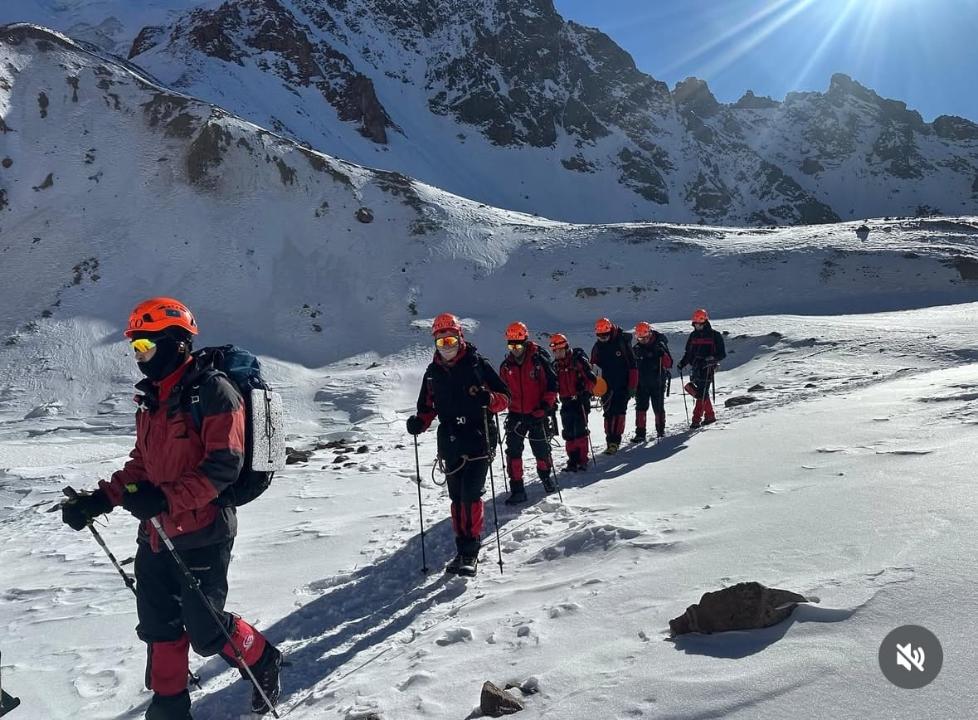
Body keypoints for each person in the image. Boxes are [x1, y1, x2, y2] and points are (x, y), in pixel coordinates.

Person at [60, 297, 281, 719]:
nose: (140, 356)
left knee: (208, 631)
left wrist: (164, 498)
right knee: (159, 628)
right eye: (136, 348)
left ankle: (263, 658)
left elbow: (224, 466)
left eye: (146, 346)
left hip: (203, 532)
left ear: (176, 342)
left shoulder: (213, 391)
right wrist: (100, 500)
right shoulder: (153, 399)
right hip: (155, 536)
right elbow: (142, 464)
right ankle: (169, 709)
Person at [406, 313, 510, 575]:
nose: (447, 346)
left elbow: (505, 398)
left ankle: (470, 551)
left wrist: (489, 399)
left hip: (479, 437)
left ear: (460, 337)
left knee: (470, 496)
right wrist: (419, 423)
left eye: (450, 339)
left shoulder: (477, 365)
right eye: (441, 342)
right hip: (451, 442)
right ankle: (461, 547)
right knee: (456, 498)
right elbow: (426, 408)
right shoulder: (432, 374)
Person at [498, 322, 559, 503]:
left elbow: (552, 385)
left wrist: (544, 408)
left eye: (518, 344)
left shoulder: (539, 361)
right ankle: (517, 489)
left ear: (525, 342)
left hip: (537, 413)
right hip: (516, 415)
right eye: (511, 345)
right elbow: (502, 391)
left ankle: (546, 477)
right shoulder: (506, 366)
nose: (515, 349)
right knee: (513, 453)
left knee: (541, 449)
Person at [549, 333, 596, 471]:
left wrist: (583, 387)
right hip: (566, 402)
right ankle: (572, 460)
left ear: (565, 347)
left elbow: (592, 380)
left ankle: (582, 460)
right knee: (568, 432)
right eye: (555, 351)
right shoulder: (555, 366)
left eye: (560, 350)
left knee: (580, 431)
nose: (557, 353)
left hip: (580, 401)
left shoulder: (578, 361)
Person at [590, 317, 637, 454]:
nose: (603, 338)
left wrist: (632, 386)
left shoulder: (622, 343)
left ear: (610, 331)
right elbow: (593, 368)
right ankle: (609, 440)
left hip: (622, 385)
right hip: (605, 387)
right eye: (600, 336)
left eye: (605, 335)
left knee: (619, 413)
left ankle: (615, 441)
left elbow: (633, 366)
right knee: (608, 414)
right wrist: (594, 387)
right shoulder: (597, 347)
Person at [677, 308, 726, 428]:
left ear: (705, 322)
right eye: (695, 324)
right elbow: (688, 353)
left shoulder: (715, 335)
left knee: (701, 393)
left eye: (699, 324)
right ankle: (710, 416)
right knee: (701, 393)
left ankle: (696, 420)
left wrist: (712, 359)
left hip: (708, 368)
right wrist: (682, 363)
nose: (697, 326)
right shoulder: (693, 336)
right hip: (696, 368)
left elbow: (722, 354)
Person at [632, 321, 673, 441]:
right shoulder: (636, 349)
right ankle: (640, 433)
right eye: (639, 338)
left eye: (645, 338)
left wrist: (662, 355)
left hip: (657, 382)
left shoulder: (659, 345)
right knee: (640, 408)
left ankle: (660, 431)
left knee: (658, 408)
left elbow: (669, 363)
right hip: (642, 384)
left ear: (649, 334)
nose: (642, 340)